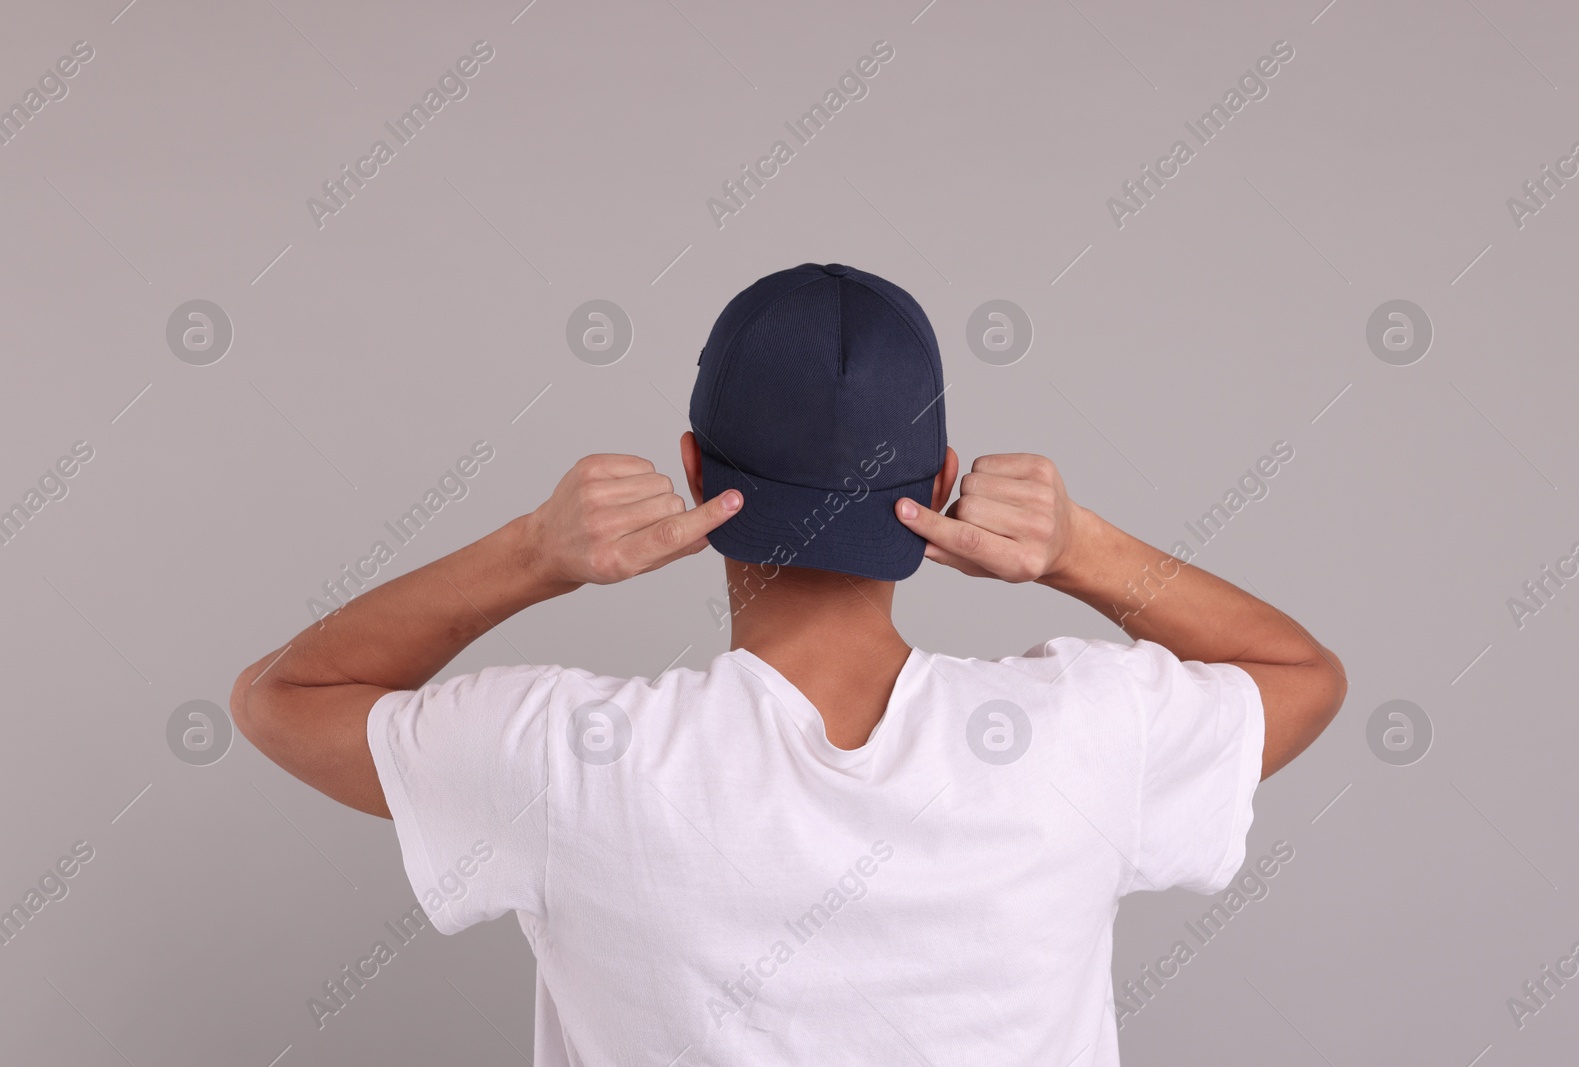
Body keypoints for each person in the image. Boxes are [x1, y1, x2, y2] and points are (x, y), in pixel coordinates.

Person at [233, 262, 1345, 1064]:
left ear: (690, 465)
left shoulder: (571, 761)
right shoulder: (1083, 737)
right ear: (944, 471)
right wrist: (1080, 547)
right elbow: (1300, 674)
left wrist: (535, 552)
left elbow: (282, 697)